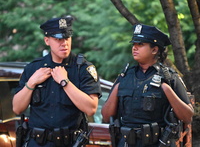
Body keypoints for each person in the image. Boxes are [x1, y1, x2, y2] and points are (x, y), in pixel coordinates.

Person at [12, 15, 101, 147]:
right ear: (47, 41)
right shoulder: (34, 68)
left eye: (66, 38)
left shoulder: (83, 69)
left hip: (68, 142)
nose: (64, 43)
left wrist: (65, 82)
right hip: (37, 142)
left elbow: (91, 109)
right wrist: (31, 83)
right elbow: (17, 108)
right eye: (58, 39)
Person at [101, 24, 194, 147]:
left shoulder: (169, 78)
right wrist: (117, 87)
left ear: (154, 50)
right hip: (126, 142)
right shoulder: (124, 77)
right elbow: (107, 116)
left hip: (157, 143)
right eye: (133, 44)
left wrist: (167, 90)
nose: (134, 48)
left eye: (140, 45)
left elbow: (187, 117)